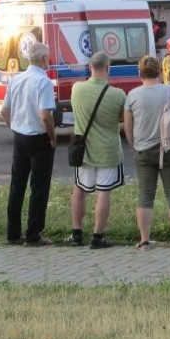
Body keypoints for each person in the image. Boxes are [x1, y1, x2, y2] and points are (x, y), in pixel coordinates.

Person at [124, 55, 170, 249]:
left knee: (145, 194)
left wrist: (134, 144)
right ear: (160, 72)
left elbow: (128, 127)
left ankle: (144, 239)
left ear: (140, 73)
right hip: (169, 149)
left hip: (143, 150)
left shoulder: (133, 95)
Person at [66, 52, 126, 249]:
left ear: (89, 67)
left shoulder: (77, 89)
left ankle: (76, 233)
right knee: (104, 192)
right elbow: (121, 119)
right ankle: (98, 236)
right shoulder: (118, 95)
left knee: (80, 189)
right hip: (107, 150)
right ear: (108, 68)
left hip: (82, 151)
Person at [1, 43, 57, 246]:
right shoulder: (44, 82)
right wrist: (52, 137)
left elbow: (4, 111)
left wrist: (14, 126)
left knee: (17, 185)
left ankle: (13, 233)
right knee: (39, 187)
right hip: (38, 138)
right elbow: (45, 115)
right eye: (48, 58)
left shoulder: (16, 80)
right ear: (43, 60)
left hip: (19, 136)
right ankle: (33, 233)